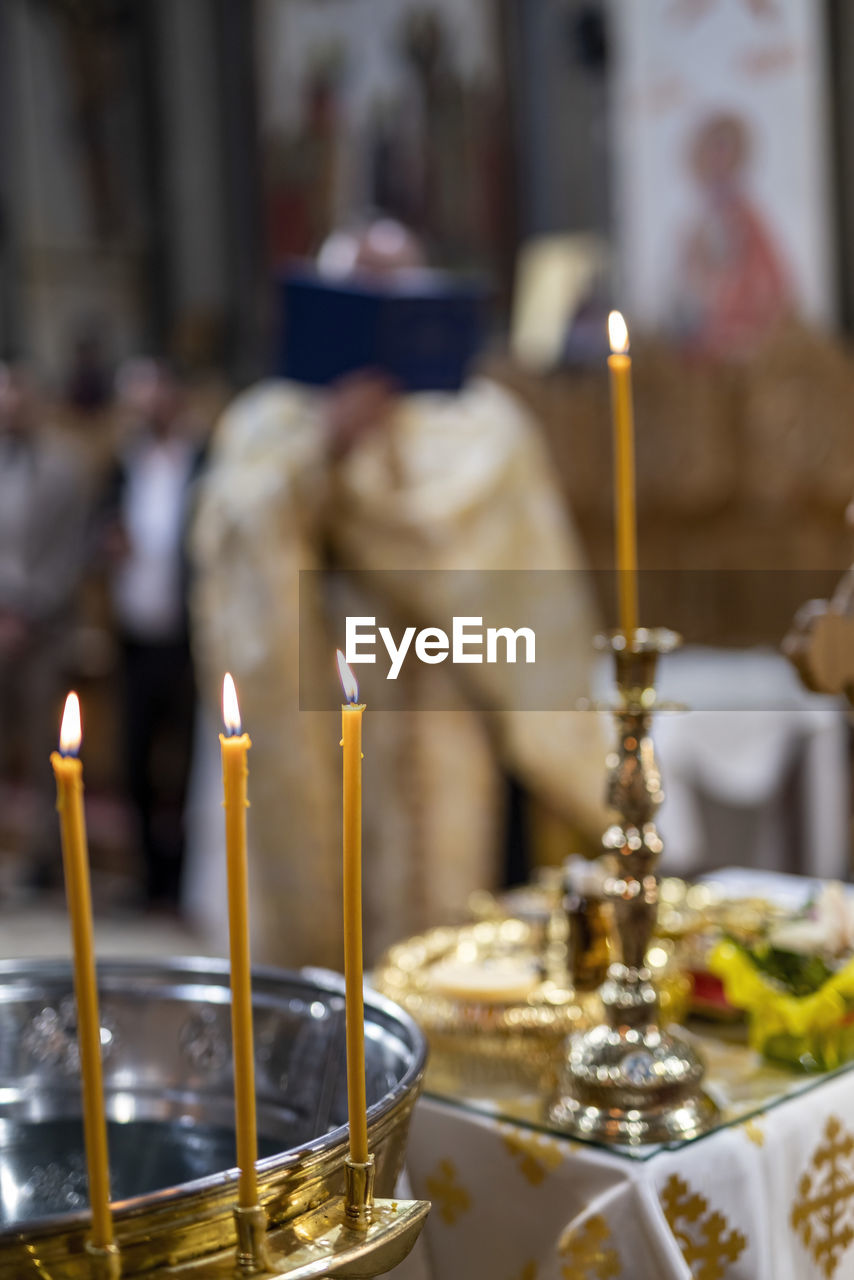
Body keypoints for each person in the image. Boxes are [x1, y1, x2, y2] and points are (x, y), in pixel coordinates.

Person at [188, 222, 607, 970]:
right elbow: (233, 540)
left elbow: (529, 586)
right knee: (331, 921)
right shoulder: (272, 421)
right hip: (317, 699)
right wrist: (324, 447)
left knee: (451, 928)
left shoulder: (487, 425)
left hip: (447, 706)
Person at [102, 359, 204, 911]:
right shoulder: (124, 462)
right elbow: (104, 522)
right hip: (134, 629)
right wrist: (109, 541)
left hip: (185, 634)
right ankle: (148, 878)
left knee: (186, 763)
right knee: (135, 757)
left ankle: (180, 878)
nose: (147, 406)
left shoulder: (202, 460)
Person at [0, 362, 91, 888]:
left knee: (46, 749)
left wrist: (27, 611)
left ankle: (43, 860)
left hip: (44, 628)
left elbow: (71, 549)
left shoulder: (63, 468)